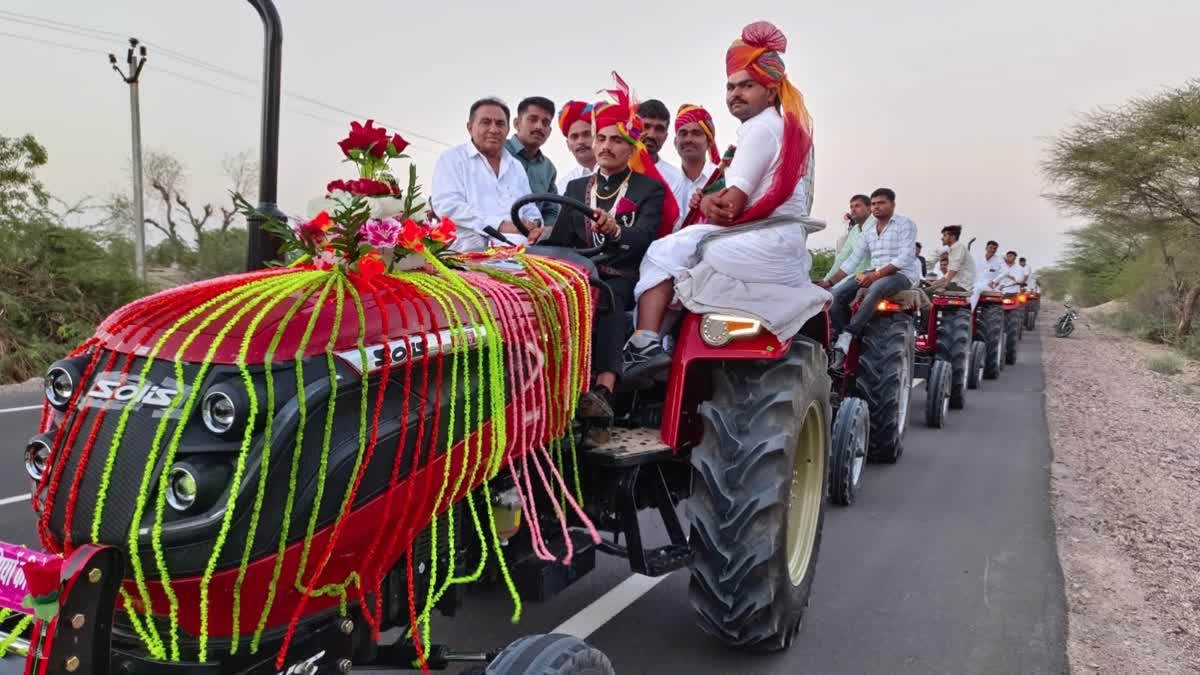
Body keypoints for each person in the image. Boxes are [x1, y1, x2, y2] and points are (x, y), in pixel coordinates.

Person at [624, 21, 827, 377]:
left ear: (771, 90)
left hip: (761, 243)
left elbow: (728, 208)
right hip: (780, 242)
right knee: (680, 253)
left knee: (663, 252)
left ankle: (645, 342)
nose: (735, 93)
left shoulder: (761, 129)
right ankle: (661, 348)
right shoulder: (781, 128)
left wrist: (704, 204)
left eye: (747, 85)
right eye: (730, 86)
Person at [543, 99, 667, 421]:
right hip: (581, 271)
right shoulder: (576, 187)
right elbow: (560, 241)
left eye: (616, 140)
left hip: (622, 274)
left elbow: (643, 238)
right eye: (601, 138)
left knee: (607, 293)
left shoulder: (649, 189)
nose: (605, 146)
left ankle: (604, 391)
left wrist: (616, 231)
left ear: (631, 147)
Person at [818, 188, 921, 365]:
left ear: (893, 204)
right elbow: (852, 261)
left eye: (881, 203)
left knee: (876, 288)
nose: (876, 207)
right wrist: (829, 281)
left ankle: (849, 334)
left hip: (901, 275)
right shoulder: (869, 231)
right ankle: (841, 341)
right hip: (874, 272)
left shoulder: (905, 224)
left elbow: (905, 258)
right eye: (874, 203)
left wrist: (876, 275)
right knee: (835, 294)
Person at [431, 97, 544, 251]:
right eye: (485, 122)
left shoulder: (515, 166)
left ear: (508, 130)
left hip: (525, 250)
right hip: (470, 251)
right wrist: (500, 225)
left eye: (500, 123)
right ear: (470, 127)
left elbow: (530, 208)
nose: (494, 129)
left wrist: (535, 225)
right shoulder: (452, 158)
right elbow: (448, 206)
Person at [505, 96, 561, 227]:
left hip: (534, 242)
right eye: (533, 119)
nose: (539, 126)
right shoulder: (498, 152)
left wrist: (542, 233)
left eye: (545, 122)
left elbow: (551, 210)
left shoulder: (548, 168)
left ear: (550, 131)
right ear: (517, 123)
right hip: (495, 237)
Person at [637, 99, 691, 232]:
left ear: (666, 136)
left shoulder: (676, 178)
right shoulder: (613, 168)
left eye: (659, 129)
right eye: (646, 126)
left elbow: (675, 225)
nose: (651, 135)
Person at [673, 104, 720, 229]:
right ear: (675, 142)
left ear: (709, 141)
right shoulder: (667, 181)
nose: (689, 139)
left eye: (696, 133)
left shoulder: (722, 178)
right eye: (683, 133)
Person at [824, 194, 874, 283]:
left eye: (857, 206)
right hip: (856, 274)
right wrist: (826, 279)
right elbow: (842, 257)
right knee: (831, 289)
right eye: (851, 207)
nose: (853, 210)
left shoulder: (877, 225)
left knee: (838, 291)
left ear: (869, 208)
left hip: (875, 274)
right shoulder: (854, 230)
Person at [556, 100, 596, 192]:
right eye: (574, 137)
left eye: (586, 134)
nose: (580, 141)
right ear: (568, 145)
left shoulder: (616, 170)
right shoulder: (564, 184)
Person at [925, 225, 976, 294]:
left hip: (961, 286)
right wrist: (935, 283)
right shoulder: (953, 249)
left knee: (925, 292)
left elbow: (954, 269)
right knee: (925, 289)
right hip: (955, 284)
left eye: (944, 235)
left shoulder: (958, 247)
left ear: (953, 237)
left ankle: (926, 305)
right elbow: (948, 274)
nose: (942, 238)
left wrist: (944, 287)